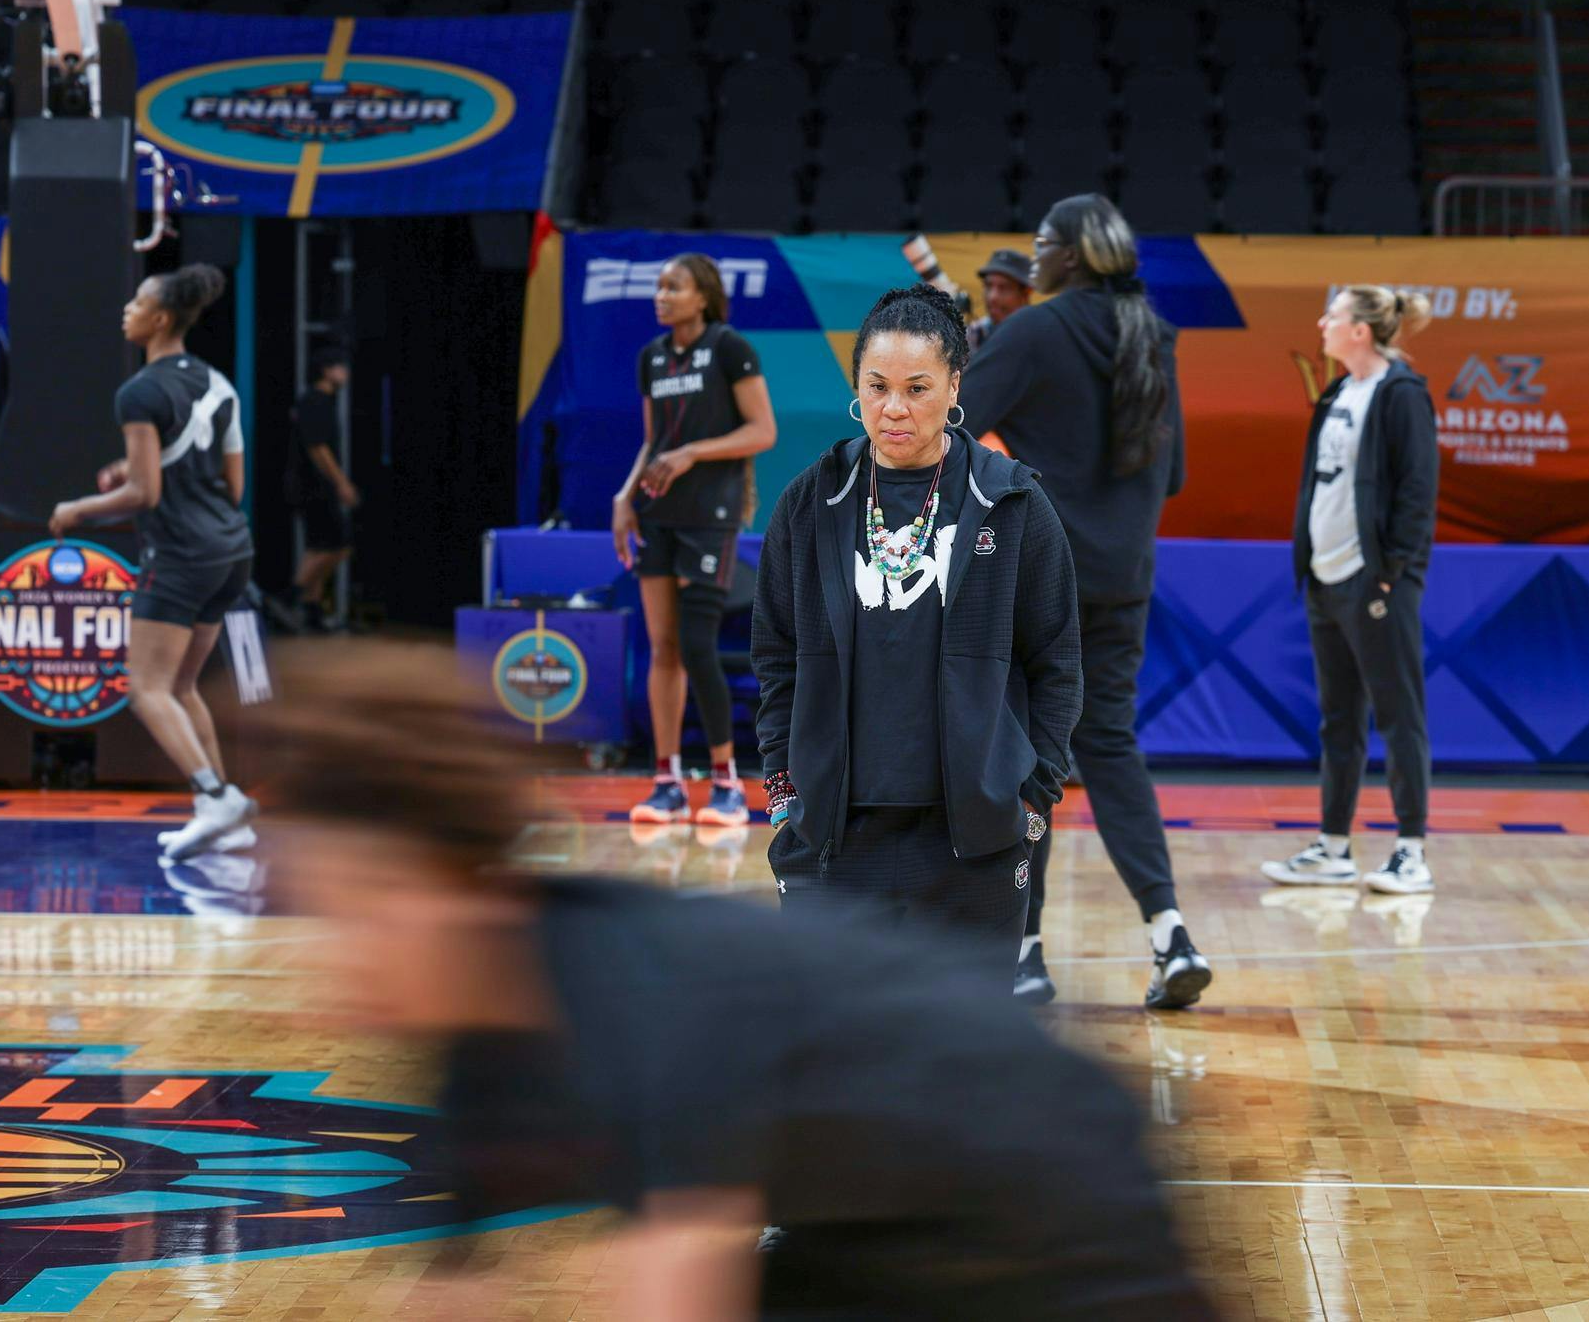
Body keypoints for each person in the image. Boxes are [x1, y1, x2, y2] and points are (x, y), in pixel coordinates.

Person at [254, 641, 1220, 1321]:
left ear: (454, 886)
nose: (336, 963)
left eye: (358, 909)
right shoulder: (479, 1053)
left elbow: (671, 1276)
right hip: (879, 1232)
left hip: (1060, 1193)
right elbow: (451, 1296)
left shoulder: (631, 993)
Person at [751, 285, 1083, 987]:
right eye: (877, 387)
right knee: (832, 1043)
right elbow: (775, 656)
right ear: (857, 387)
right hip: (834, 841)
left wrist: (1030, 801)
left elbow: (1057, 660)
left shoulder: (1014, 500)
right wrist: (784, 792)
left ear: (955, 385)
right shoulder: (811, 501)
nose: (894, 408)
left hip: (972, 846)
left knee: (966, 1048)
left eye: (917, 388)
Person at [957, 193, 1211, 1010]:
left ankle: (1024, 954)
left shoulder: (1034, 331)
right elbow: (1173, 475)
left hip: (1040, 576)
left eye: (1041, 242)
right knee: (1109, 743)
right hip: (1125, 575)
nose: (1031, 254)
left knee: (1026, 760)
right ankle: (1171, 933)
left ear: (1069, 255)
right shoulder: (1153, 334)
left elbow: (949, 428)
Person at [47, 263, 256, 861]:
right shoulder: (218, 384)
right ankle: (226, 820)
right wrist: (138, 468)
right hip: (230, 552)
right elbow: (232, 485)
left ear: (160, 319)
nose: (127, 310)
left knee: (145, 688)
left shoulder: (139, 393)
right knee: (181, 685)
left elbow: (145, 495)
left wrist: (76, 509)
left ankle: (215, 797)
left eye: (137, 303)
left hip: (181, 555)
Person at [1262, 286, 1439, 897]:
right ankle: (1333, 847)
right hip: (1326, 576)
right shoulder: (1338, 392)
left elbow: (1418, 491)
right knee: (1338, 719)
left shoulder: (1402, 394)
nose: (1322, 324)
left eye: (1333, 316)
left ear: (1360, 330)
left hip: (1373, 579)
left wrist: (1390, 571)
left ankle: (1411, 851)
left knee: (1399, 714)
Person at [613, 253, 776, 828]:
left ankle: (726, 783)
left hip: (711, 513)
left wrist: (692, 454)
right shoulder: (651, 357)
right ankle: (668, 783)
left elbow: (763, 431)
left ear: (702, 297)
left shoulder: (729, 347)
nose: (661, 295)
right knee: (663, 647)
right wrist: (624, 497)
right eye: (658, 286)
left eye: (673, 286)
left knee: (696, 643)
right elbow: (652, 440)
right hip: (658, 512)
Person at [281, 347, 359, 633]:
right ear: (326, 370)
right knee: (339, 544)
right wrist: (341, 483)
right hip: (313, 486)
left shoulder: (320, 401)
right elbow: (317, 448)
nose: (345, 373)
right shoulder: (314, 401)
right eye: (340, 367)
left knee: (318, 546)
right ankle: (290, 596)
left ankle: (311, 611)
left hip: (313, 485)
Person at [966, 247, 1034, 352]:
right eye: (988, 286)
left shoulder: (1042, 335)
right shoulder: (975, 334)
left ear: (1026, 292)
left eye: (1004, 287)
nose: (992, 297)